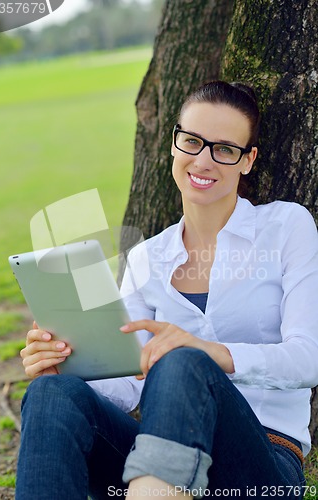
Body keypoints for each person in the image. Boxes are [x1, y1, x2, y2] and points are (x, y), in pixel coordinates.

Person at [17, 81, 318, 500]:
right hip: (162, 452)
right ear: (174, 145)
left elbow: (308, 358)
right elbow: (128, 381)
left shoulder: (287, 227)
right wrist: (65, 364)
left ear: (246, 161)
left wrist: (210, 353)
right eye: (192, 142)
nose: (203, 160)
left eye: (224, 149)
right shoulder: (146, 259)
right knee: (52, 394)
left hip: (261, 465)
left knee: (183, 361)